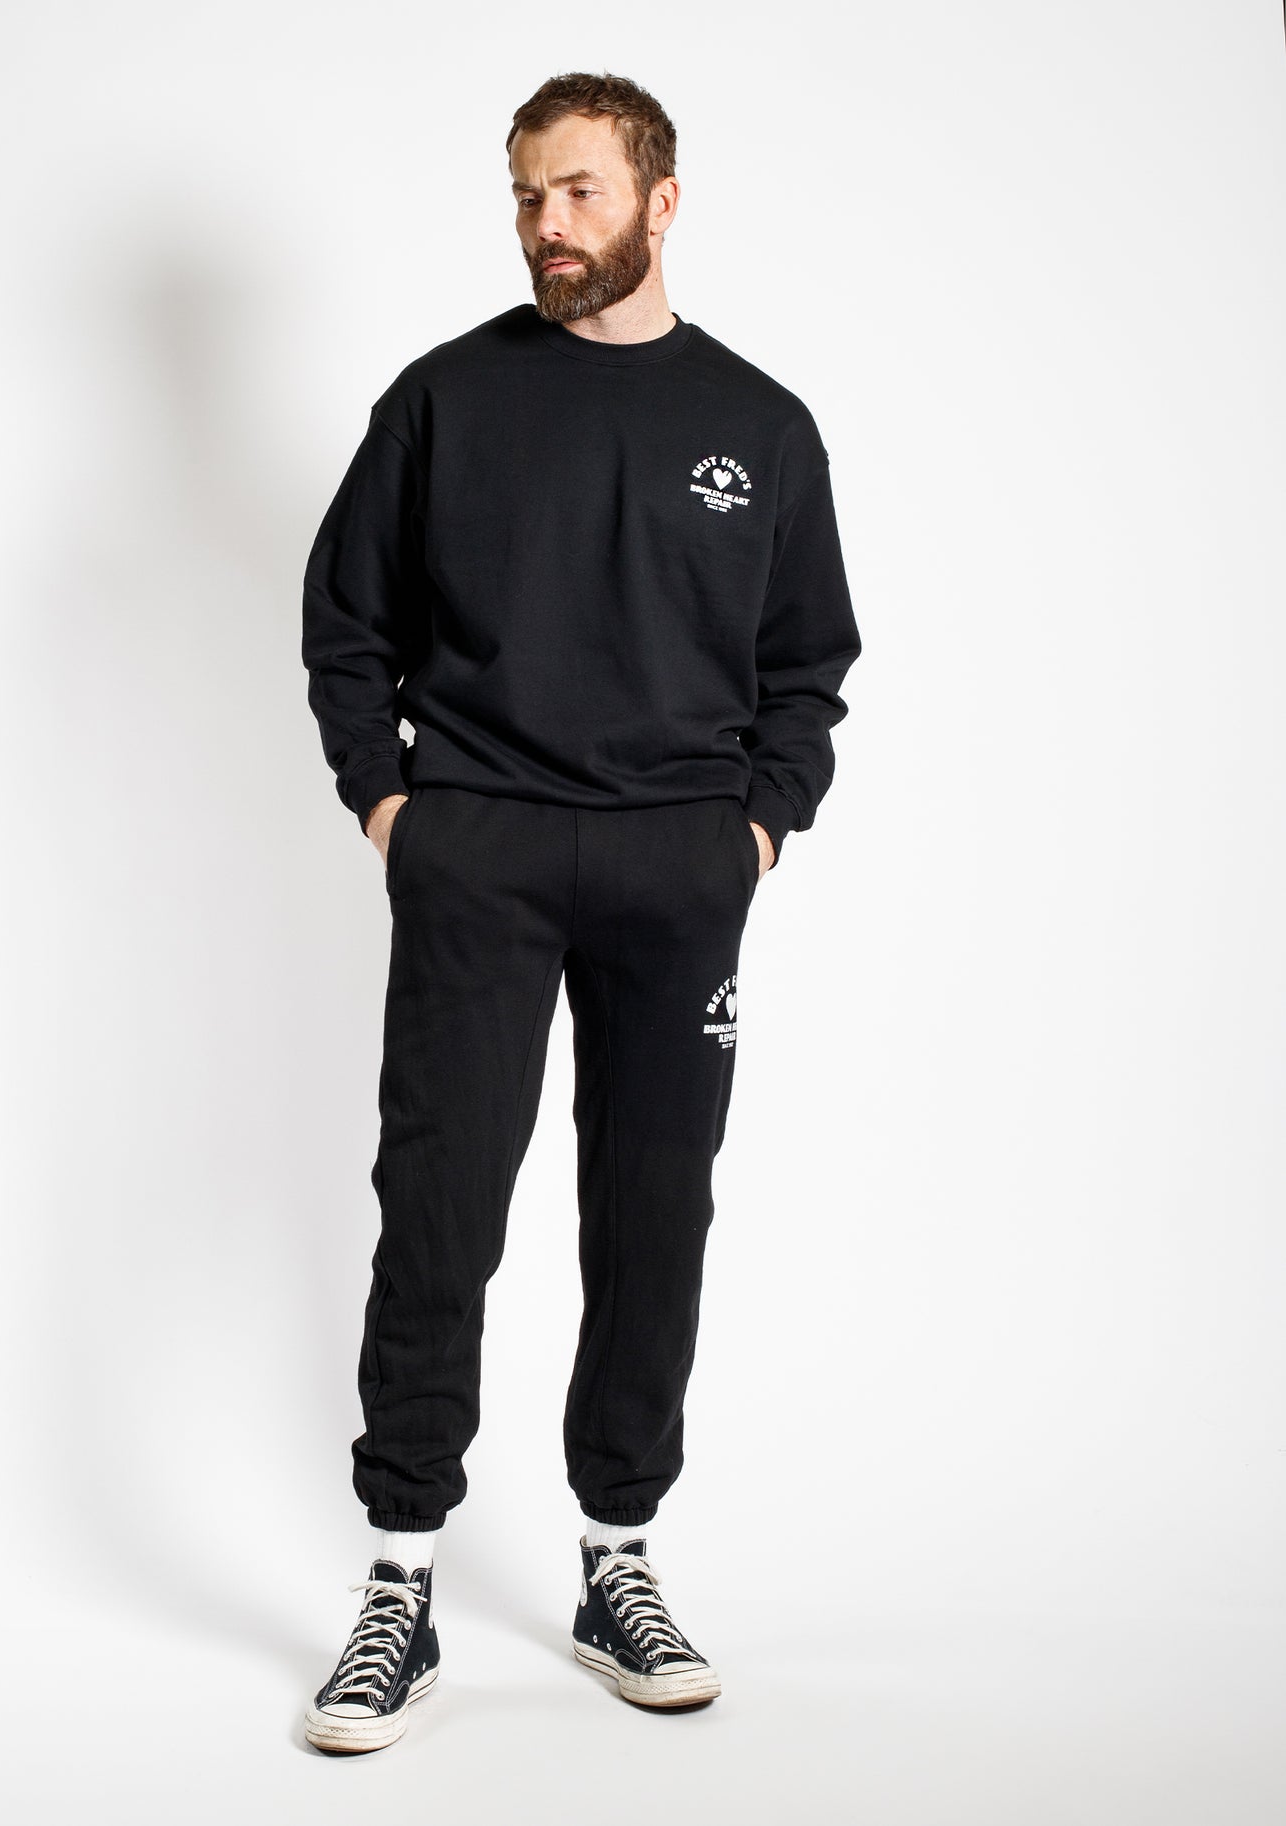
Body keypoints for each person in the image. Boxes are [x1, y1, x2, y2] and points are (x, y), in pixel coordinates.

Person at [298, 70, 861, 1754]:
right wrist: (395, 809)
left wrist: (755, 830)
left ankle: (619, 1554)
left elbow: (807, 665)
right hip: (479, 854)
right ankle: (399, 1576)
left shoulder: (760, 426)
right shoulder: (444, 400)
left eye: (579, 193)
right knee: (439, 1200)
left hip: (678, 874)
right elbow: (346, 625)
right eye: (527, 197)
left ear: (660, 201)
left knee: (652, 1209)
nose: (547, 227)